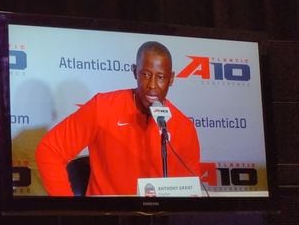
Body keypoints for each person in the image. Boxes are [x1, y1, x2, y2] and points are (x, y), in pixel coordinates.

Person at [35, 41, 201, 196]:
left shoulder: (184, 127)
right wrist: (69, 210)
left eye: (160, 77)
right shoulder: (102, 107)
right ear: (134, 71)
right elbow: (49, 150)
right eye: (146, 74)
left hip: (159, 223)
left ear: (171, 79)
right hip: (107, 222)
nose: (152, 85)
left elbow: (190, 192)